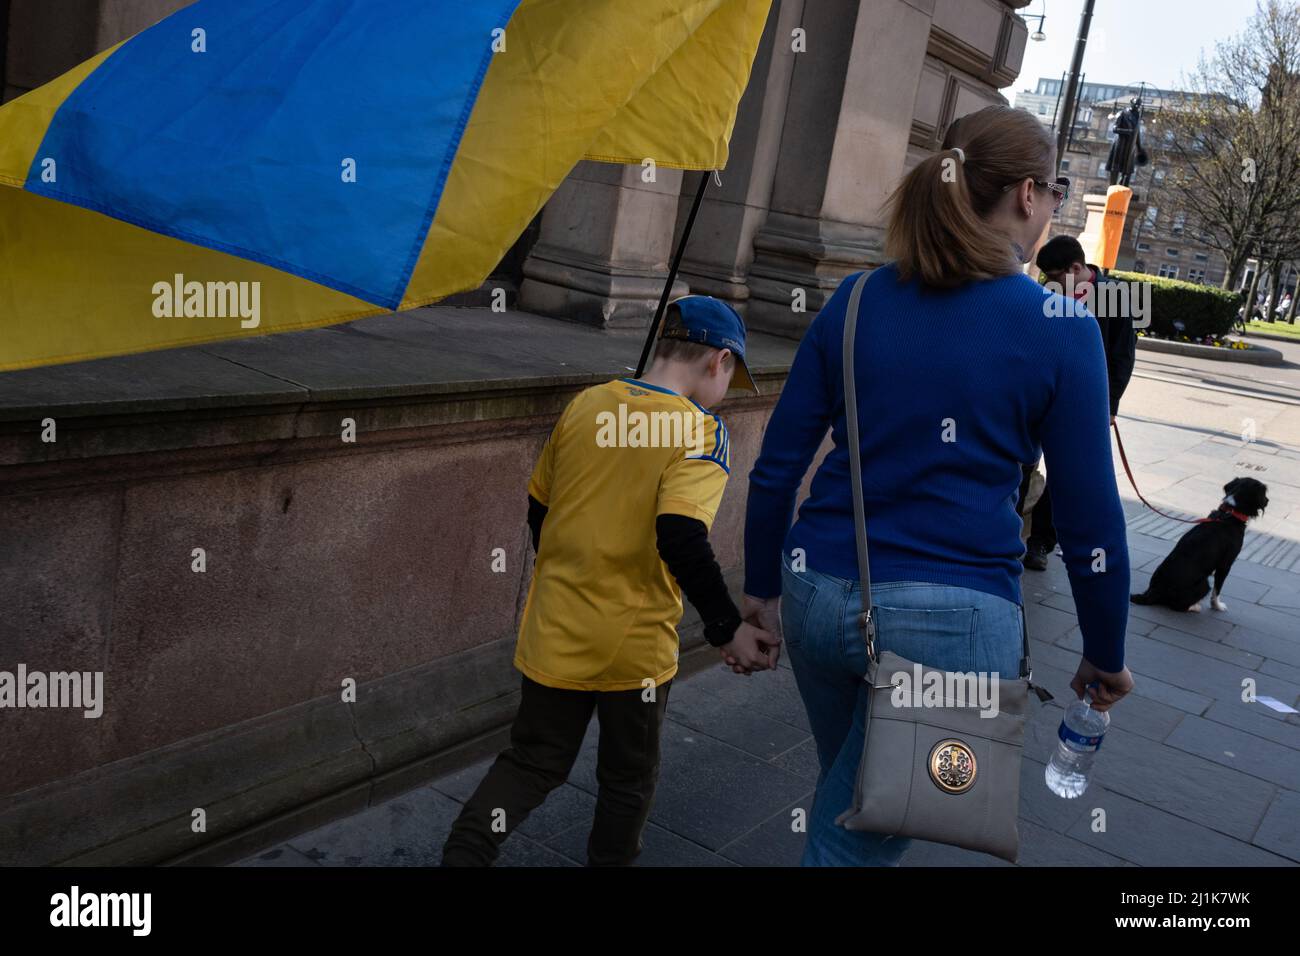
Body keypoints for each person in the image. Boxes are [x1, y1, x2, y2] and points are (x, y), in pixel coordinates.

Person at [740, 105, 1135, 867]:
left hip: (819, 591)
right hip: (953, 624)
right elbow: (1088, 523)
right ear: (1026, 194)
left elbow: (778, 465)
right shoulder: (1060, 325)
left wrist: (759, 588)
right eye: (1055, 190)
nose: (1054, 206)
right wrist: (1105, 649)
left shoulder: (855, 300)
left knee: (858, 793)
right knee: (863, 827)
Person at [440, 296, 779, 866]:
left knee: (532, 762)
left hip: (554, 627)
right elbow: (680, 537)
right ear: (719, 361)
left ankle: (464, 854)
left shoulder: (586, 404)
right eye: (732, 377)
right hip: (633, 649)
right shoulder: (701, 433)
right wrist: (727, 629)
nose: (727, 393)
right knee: (627, 779)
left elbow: (539, 509)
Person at [1022, 235, 1138, 571]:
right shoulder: (1047, 292)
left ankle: (1041, 542)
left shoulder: (1114, 296)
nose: (1049, 282)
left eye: (1056, 275)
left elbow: (1122, 356)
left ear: (1077, 267)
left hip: (1081, 399)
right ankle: (1005, 533)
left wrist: (1109, 405)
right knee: (1022, 464)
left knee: (1063, 473)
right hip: (1037, 392)